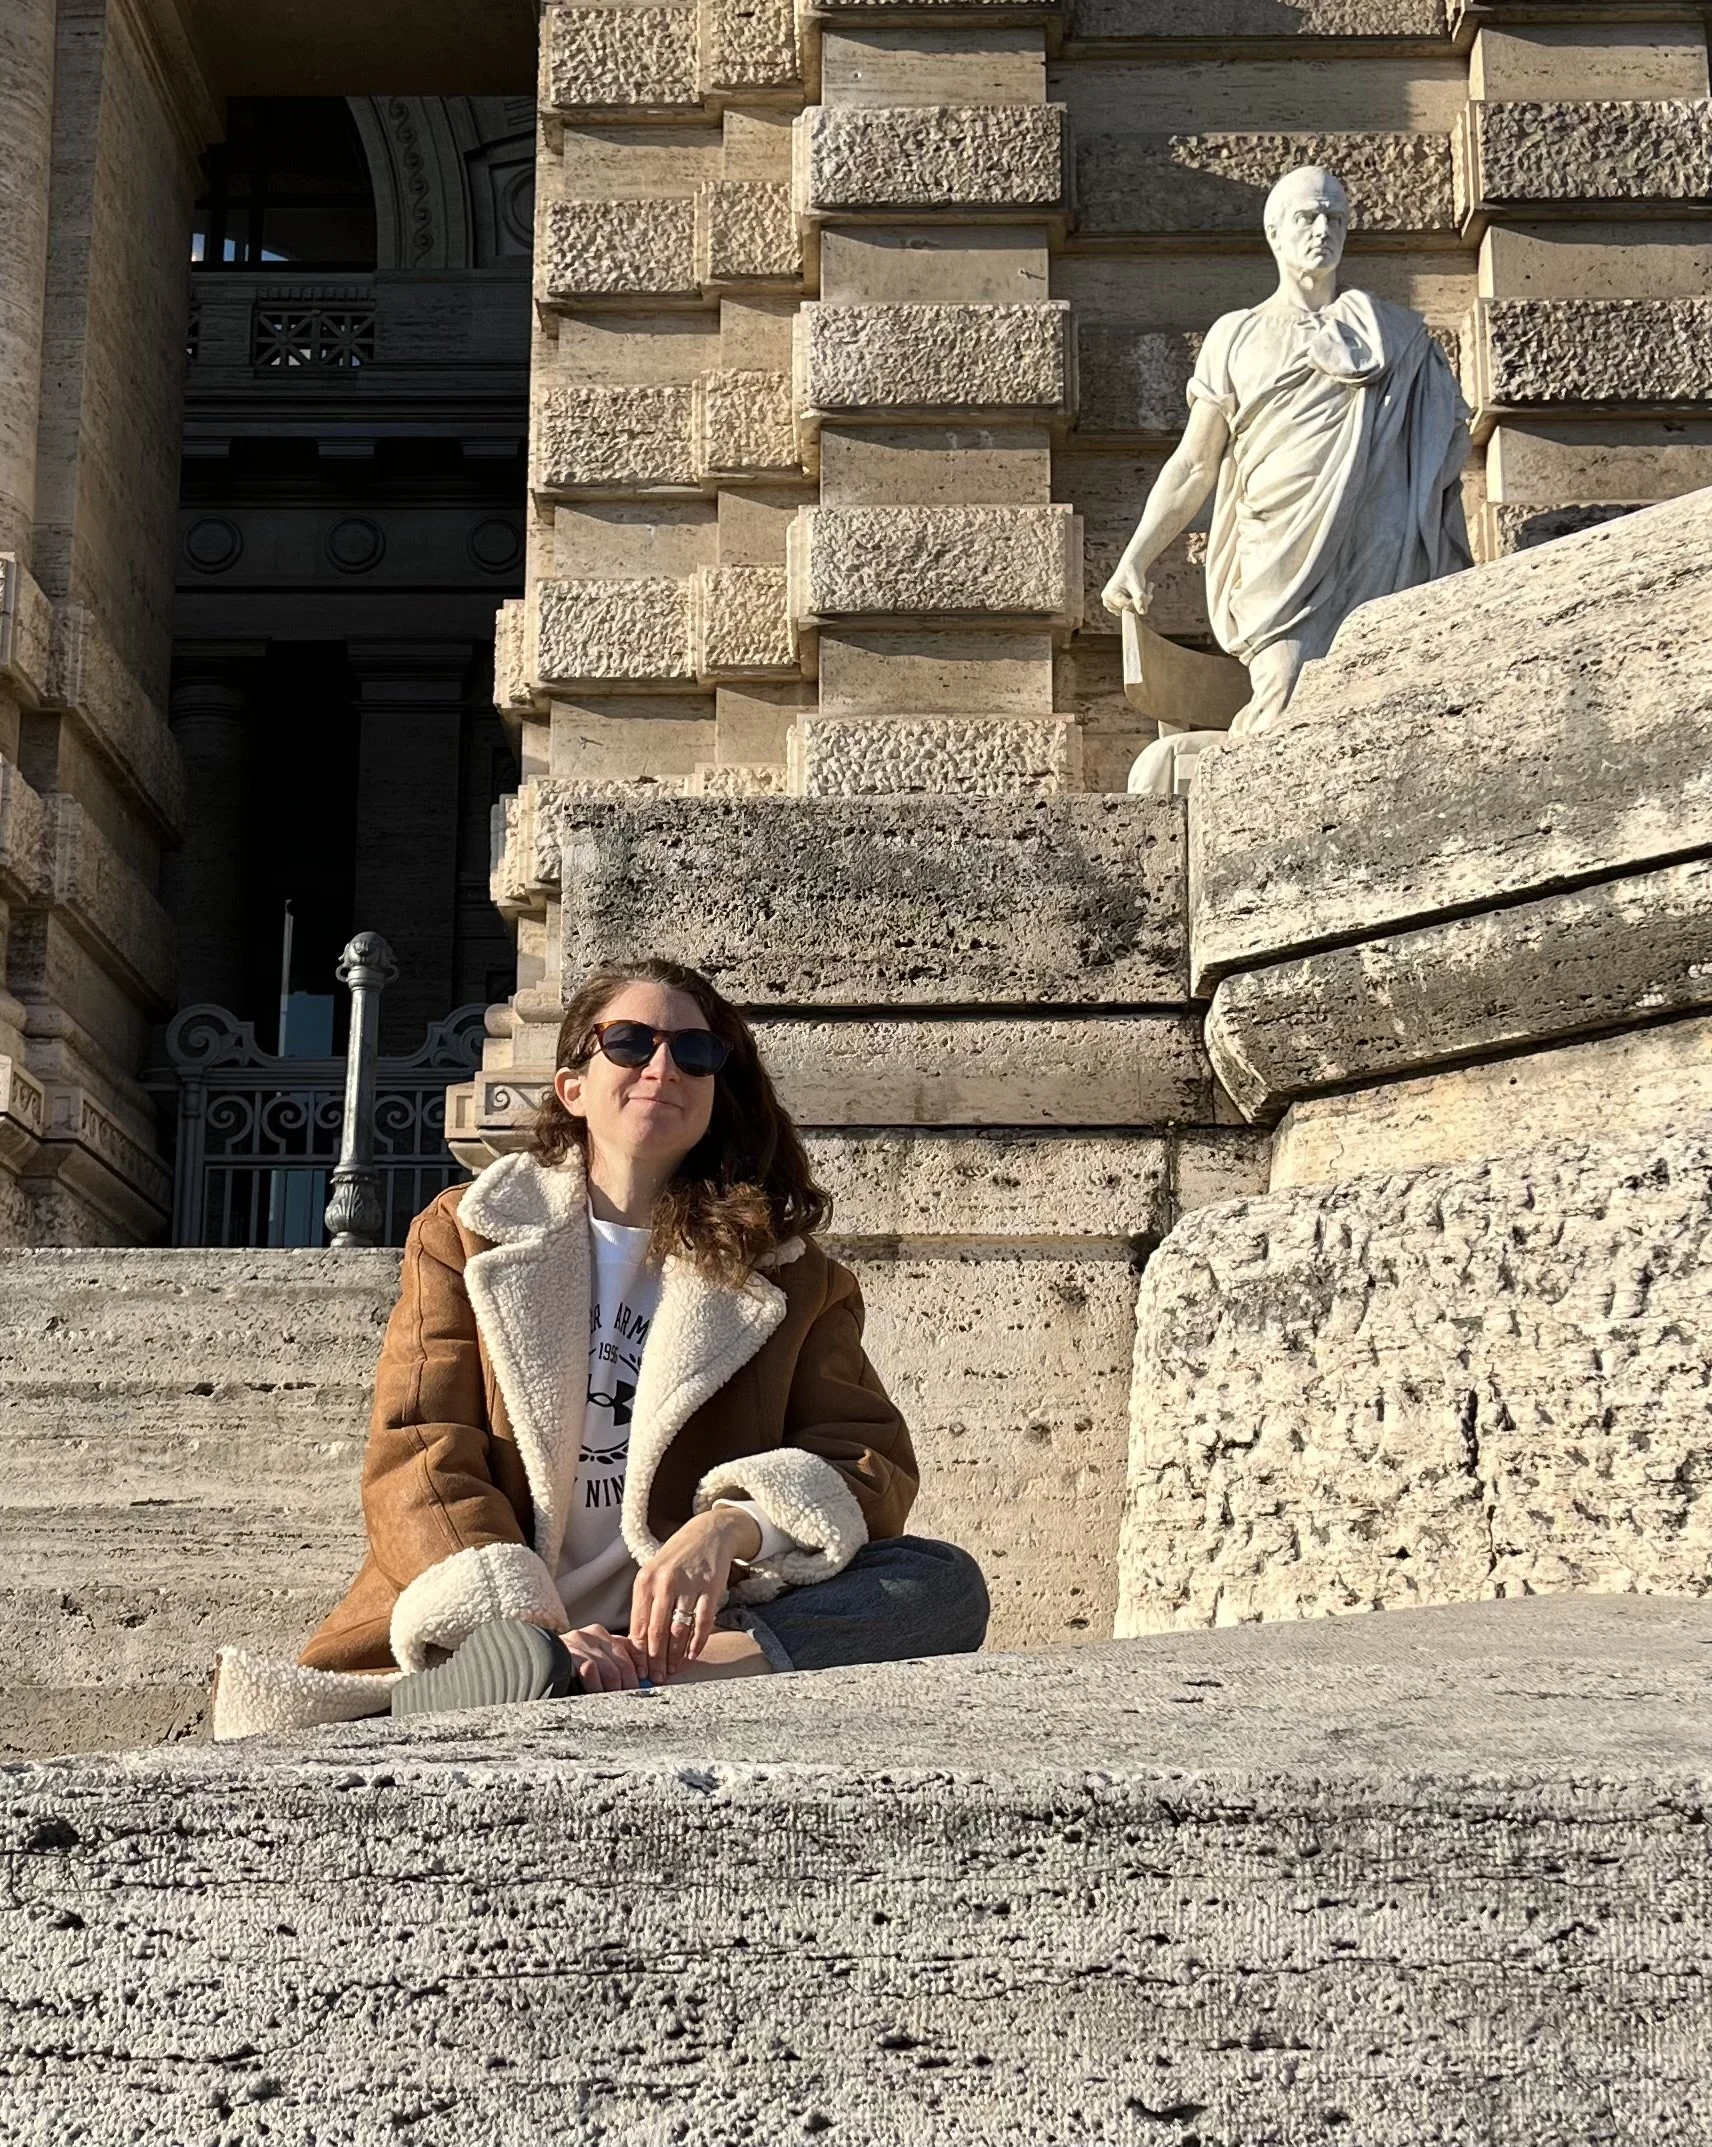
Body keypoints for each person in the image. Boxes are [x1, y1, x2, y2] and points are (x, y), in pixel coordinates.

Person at [211, 959, 989, 1737]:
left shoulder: (792, 1275)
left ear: (715, 1091)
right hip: (506, 1624)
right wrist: (522, 1617)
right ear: (573, 1086)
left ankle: (639, 1679)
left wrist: (732, 1527)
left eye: (695, 1052)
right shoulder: (468, 1233)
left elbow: (868, 1457)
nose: (663, 1066)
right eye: (630, 1042)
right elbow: (421, 1447)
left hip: (682, 1631)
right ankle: (530, 1667)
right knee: (510, 1645)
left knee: (941, 1582)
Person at [1102, 165, 1470, 794]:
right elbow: (1194, 464)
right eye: (1308, 216)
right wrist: (1135, 557)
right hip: (1279, 551)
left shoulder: (1395, 335)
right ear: (1274, 231)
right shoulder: (1236, 336)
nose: (1323, 229)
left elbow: (1440, 448)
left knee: (1375, 701)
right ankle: (1202, 773)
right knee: (1286, 687)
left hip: (1379, 547)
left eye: (1336, 217)